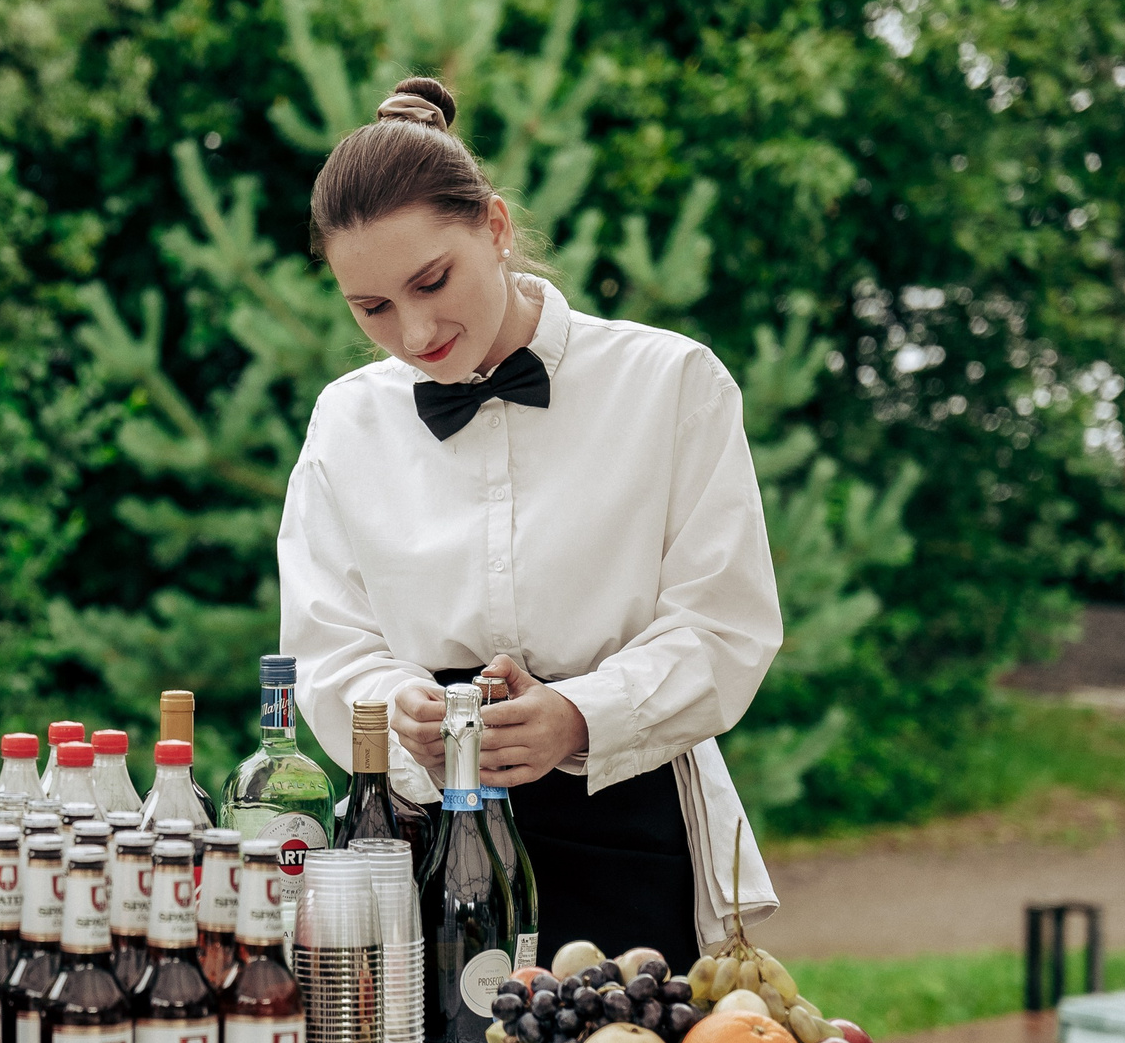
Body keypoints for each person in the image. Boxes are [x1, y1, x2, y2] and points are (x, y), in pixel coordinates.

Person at [277, 75, 780, 969]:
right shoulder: (345, 422)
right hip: (422, 836)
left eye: (433, 280)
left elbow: (726, 627)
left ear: (497, 229)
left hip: (624, 822)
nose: (417, 330)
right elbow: (325, 646)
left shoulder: (674, 385)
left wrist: (577, 717)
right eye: (373, 309)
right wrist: (405, 715)